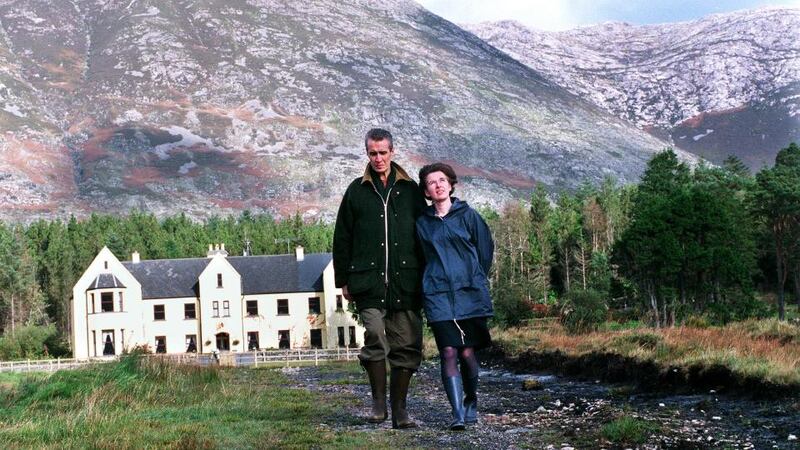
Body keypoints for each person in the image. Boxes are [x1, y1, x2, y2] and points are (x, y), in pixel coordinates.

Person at [333, 128, 427, 429]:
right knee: (374, 335)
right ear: (367, 153)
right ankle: (377, 405)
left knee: (408, 345)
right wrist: (342, 279)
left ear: (392, 152)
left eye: (383, 152)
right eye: (372, 153)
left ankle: (399, 410)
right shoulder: (356, 191)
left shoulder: (411, 190)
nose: (378, 158)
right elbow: (342, 237)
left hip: (406, 282)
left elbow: (425, 236)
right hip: (368, 282)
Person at [415, 163, 494, 430]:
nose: (437, 185)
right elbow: (420, 259)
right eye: (431, 182)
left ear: (450, 184)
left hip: (469, 294)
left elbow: (485, 251)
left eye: (441, 180)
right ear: (426, 190)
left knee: (468, 352)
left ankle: (471, 399)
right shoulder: (422, 224)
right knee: (448, 351)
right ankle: (457, 413)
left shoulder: (468, 216)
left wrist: (472, 277)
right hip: (437, 295)